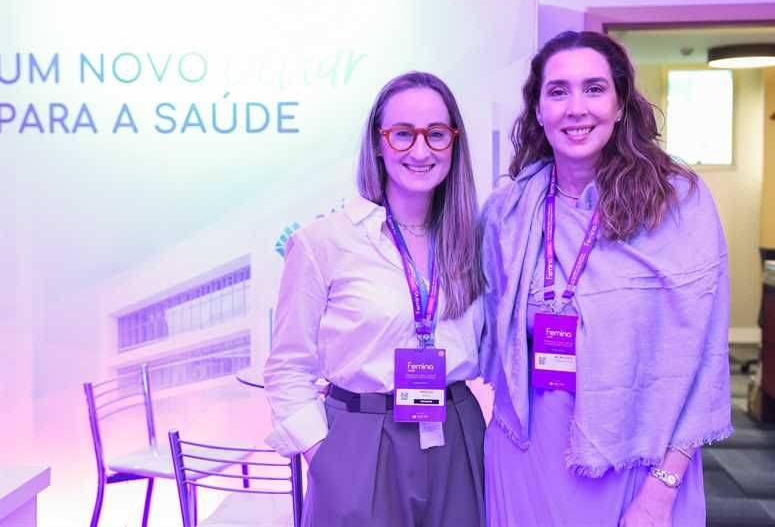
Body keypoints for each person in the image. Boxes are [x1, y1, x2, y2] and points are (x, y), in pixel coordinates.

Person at [480, 31, 732, 527]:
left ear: (620, 105)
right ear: (538, 111)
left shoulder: (678, 203)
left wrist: (662, 489)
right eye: (558, 91)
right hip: (525, 455)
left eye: (594, 89)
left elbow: (704, 361)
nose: (576, 108)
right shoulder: (507, 212)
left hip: (640, 466)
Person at [264, 71, 486, 527]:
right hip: (362, 440)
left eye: (436, 134)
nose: (420, 151)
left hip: (459, 434)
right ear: (378, 143)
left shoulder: (475, 239)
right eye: (402, 134)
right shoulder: (324, 241)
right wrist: (327, 459)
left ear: (454, 143)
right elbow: (287, 367)